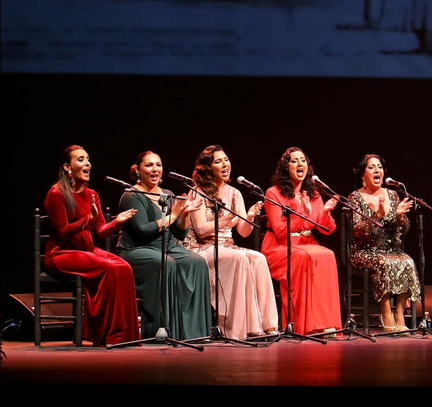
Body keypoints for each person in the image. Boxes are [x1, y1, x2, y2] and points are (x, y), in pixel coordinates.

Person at [177, 145, 278, 339]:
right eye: (218, 161)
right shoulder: (198, 191)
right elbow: (201, 229)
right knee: (239, 258)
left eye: (226, 160)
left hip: (227, 246)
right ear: (208, 167)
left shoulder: (235, 193)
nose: (225, 164)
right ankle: (238, 329)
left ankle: (268, 325)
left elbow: (242, 231)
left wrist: (248, 217)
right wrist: (226, 219)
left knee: (258, 258)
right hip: (202, 248)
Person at [42, 146, 139, 346]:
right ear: (68, 167)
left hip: (87, 250)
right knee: (110, 268)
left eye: (88, 159)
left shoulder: (92, 194)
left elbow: (100, 231)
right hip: (62, 253)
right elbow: (63, 232)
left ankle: (126, 335)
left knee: (125, 268)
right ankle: (109, 335)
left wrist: (116, 222)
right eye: (81, 160)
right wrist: (88, 219)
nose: (87, 164)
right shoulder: (56, 194)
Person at [117, 151, 211, 340]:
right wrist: (173, 215)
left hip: (167, 247)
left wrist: (184, 214)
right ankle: (164, 331)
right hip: (137, 250)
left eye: (158, 165)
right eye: (149, 165)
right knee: (166, 264)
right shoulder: (131, 195)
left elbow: (180, 233)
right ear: (138, 170)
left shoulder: (168, 194)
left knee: (198, 263)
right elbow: (143, 231)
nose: (155, 170)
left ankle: (194, 332)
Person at [261, 148, 341, 334]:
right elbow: (280, 231)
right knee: (305, 257)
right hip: (279, 247)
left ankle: (324, 322)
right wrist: (301, 216)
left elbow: (326, 229)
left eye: (303, 160)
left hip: (307, 243)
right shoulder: (274, 193)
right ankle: (302, 324)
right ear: (285, 167)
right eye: (294, 161)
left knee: (328, 255)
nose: (300, 164)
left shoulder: (313, 194)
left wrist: (326, 213)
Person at [348, 154, 420, 332]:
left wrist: (399, 217)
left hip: (391, 248)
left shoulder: (393, 195)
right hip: (365, 251)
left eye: (379, 167)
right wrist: (377, 216)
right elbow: (356, 231)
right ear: (362, 175)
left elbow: (404, 230)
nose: (377, 170)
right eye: (371, 167)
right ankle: (386, 310)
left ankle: (400, 312)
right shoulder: (355, 197)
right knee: (384, 263)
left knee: (408, 261)